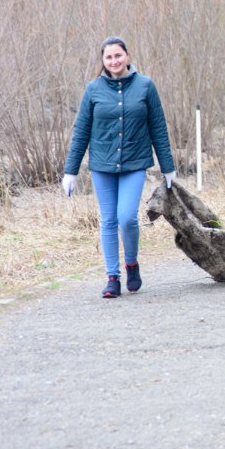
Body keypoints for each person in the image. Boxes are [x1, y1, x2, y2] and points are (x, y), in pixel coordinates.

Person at [62, 36, 177, 298]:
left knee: (127, 217)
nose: (114, 61)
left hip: (134, 163)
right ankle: (112, 277)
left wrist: (167, 167)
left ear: (127, 56)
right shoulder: (93, 90)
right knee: (108, 220)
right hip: (102, 165)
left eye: (118, 55)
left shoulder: (145, 86)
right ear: (103, 61)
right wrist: (71, 171)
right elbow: (81, 131)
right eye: (109, 57)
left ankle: (132, 264)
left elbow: (158, 128)